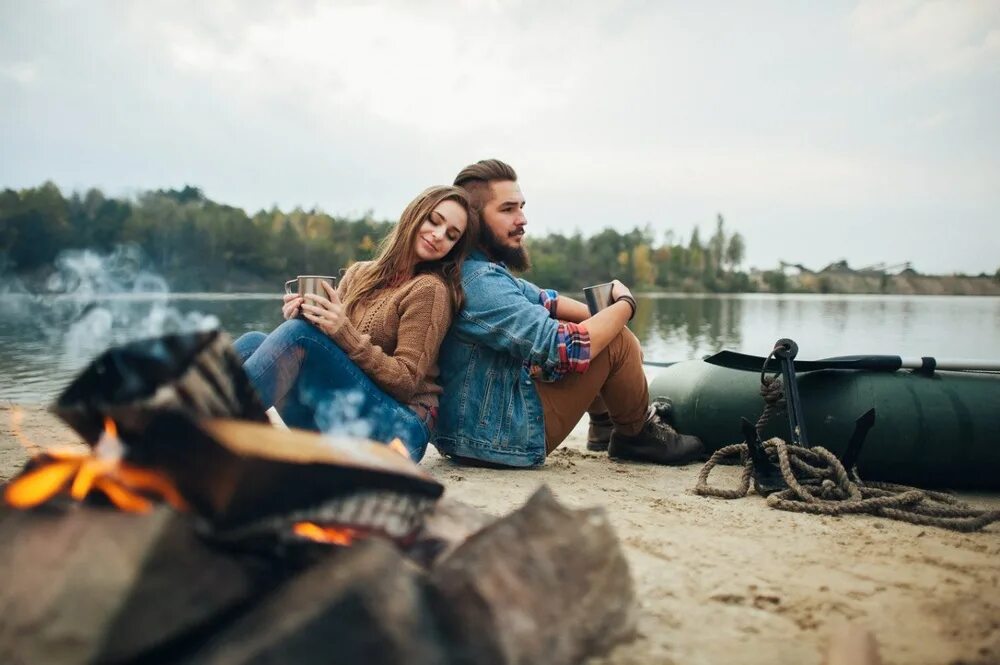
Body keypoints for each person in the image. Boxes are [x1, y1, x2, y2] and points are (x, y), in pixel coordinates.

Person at [433, 159, 703, 467]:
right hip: (500, 437)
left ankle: (604, 425)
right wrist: (625, 306)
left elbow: (545, 300)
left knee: (590, 326)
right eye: (507, 209)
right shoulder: (481, 284)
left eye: (521, 207)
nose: (522, 219)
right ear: (475, 221)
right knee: (615, 342)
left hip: (472, 430)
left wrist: (601, 311)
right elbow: (570, 349)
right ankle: (635, 435)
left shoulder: (476, 271)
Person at [233, 185, 475, 462]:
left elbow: (406, 381)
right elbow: (330, 354)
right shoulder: (360, 273)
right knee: (255, 341)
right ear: (415, 214)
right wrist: (307, 318)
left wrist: (340, 330)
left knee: (298, 336)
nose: (439, 235)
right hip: (343, 416)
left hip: (401, 431)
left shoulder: (429, 290)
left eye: (451, 235)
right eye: (434, 220)